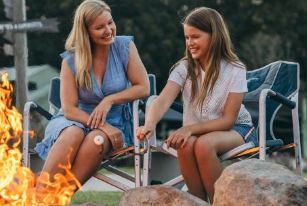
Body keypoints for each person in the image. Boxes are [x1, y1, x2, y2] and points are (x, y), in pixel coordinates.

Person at [137, 7, 256, 202]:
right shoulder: (183, 68)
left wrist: (190, 128)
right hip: (198, 131)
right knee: (185, 145)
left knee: (203, 145)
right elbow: (163, 100)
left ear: (214, 36)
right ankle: (197, 200)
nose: (190, 43)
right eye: (186, 37)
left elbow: (227, 120)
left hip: (236, 128)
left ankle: (220, 202)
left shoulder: (235, 69)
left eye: (195, 37)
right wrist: (149, 124)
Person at [35, 0, 149, 189]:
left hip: (116, 122)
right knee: (72, 133)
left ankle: (57, 198)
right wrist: (102, 125)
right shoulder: (71, 60)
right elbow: (70, 109)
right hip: (74, 119)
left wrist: (109, 100)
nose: (109, 30)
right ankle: (41, 193)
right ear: (85, 31)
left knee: (96, 141)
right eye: (99, 27)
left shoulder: (124, 47)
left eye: (110, 23)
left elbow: (143, 87)